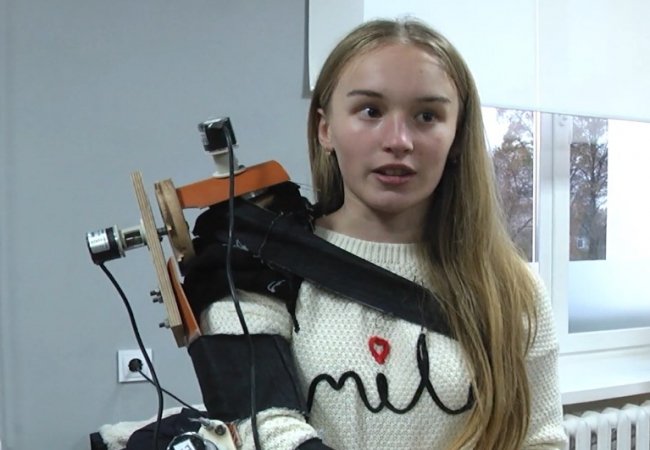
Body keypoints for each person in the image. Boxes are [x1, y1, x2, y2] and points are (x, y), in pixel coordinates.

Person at [186, 18, 568, 450]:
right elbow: (265, 426)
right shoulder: (256, 266)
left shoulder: (513, 290)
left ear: (457, 137)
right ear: (325, 129)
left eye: (427, 116)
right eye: (370, 111)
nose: (399, 140)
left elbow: (541, 441)